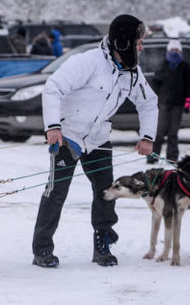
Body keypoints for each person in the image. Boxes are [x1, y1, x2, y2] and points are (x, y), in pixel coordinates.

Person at [31, 14, 158, 269]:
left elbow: (148, 102)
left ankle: (102, 246)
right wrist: (53, 127)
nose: (142, 47)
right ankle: (42, 249)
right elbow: (53, 88)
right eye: (138, 42)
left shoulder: (132, 73)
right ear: (124, 44)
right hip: (68, 136)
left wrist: (147, 136)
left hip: (98, 138)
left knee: (106, 192)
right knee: (56, 192)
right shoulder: (88, 62)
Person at [150, 39, 190, 163]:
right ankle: (153, 155)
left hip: (178, 104)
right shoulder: (163, 64)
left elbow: (188, 84)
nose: (174, 52)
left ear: (180, 51)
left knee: (173, 132)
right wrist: (155, 96)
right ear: (168, 51)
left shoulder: (184, 66)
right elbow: (155, 82)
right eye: (172, 50)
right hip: (164, 102)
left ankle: (172, 157)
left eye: (176, 50)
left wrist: (189, 99)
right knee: (159, 131)